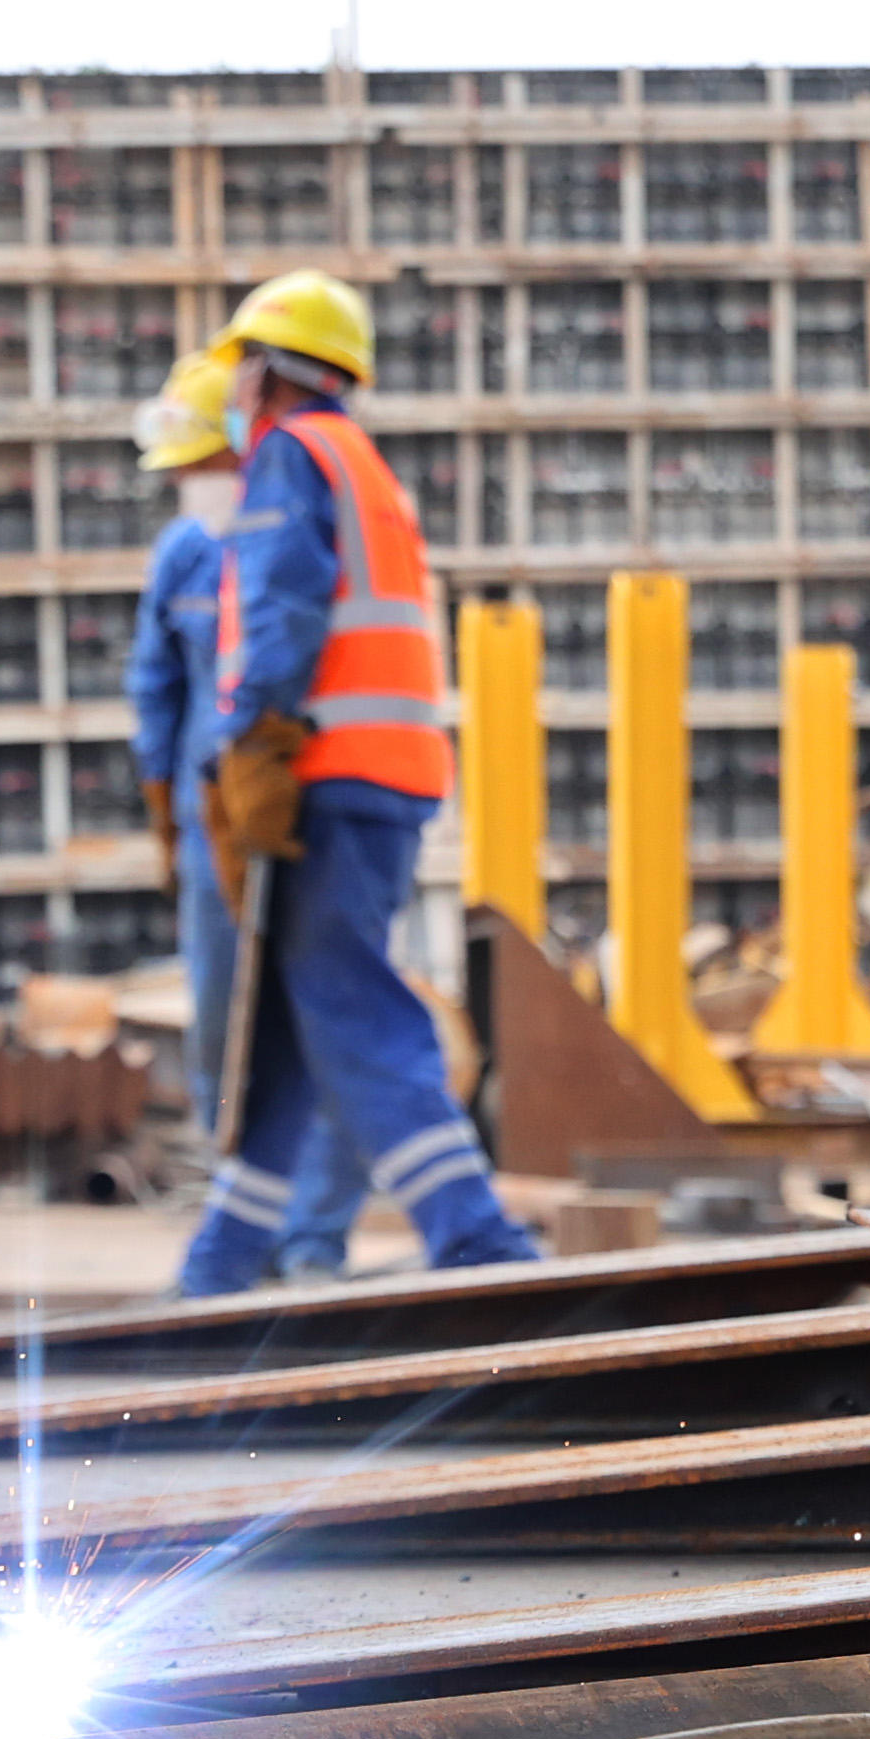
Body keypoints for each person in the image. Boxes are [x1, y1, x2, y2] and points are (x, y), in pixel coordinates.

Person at [171, 272, 537, 1298]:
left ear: (267, 371)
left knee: (349, 1002)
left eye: (241, 366)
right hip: (385, 772)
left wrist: (252, 743)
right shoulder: (362, 460)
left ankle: (477, 1237)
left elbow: (284, 605)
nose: (233, 390)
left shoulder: (292, 455)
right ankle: (225, 1260)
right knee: (285, 1027)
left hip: (326, 769)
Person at [129, 357, 365, 1278]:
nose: (196, 490)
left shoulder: (302, 524)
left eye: (204, 469)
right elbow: (156, 685)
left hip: (308, 811)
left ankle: (315, 1237)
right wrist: (164, 802)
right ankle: (247, 1228)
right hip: (212, 824)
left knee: (321, 1018)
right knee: (228, 1028)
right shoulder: (186, 554)